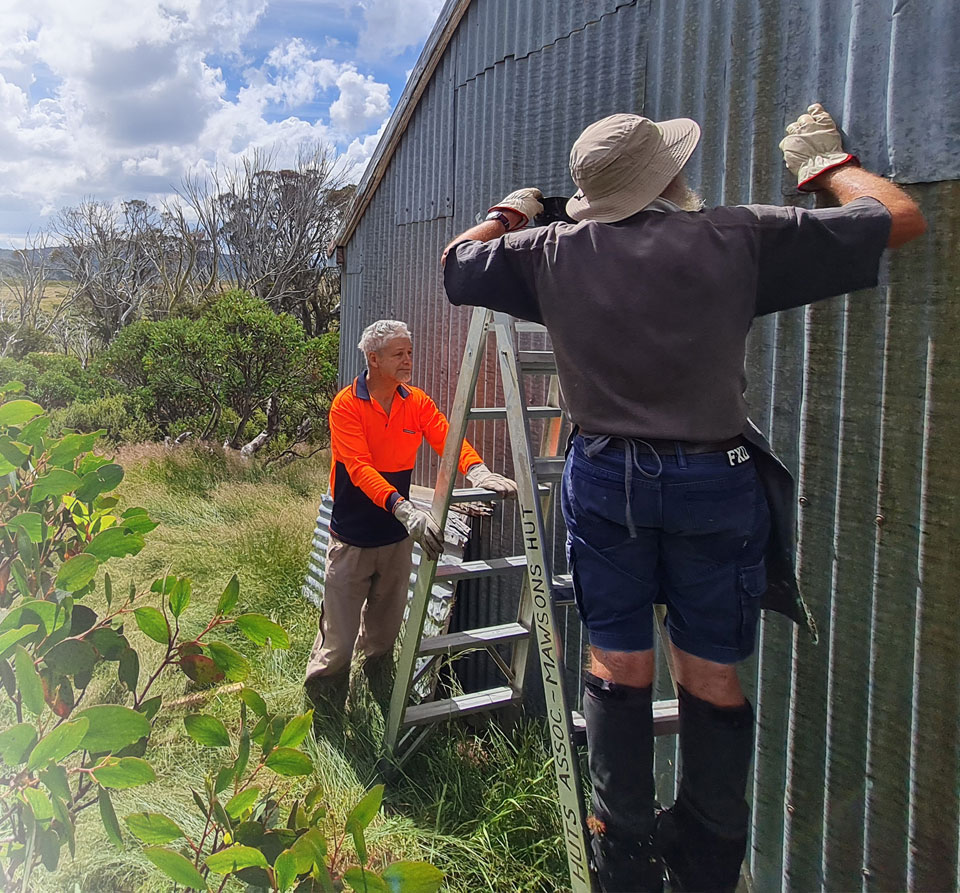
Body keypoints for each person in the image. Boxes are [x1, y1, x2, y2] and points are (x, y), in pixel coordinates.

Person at [440, 105, 926, 891]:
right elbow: (897, 218)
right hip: (712, 477)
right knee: (709, 672)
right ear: (669, 176)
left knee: (616, 661)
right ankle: (705, 853)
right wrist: (825, 167)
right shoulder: (737, 235)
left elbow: (458, 264)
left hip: (602, 475)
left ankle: (624, 848)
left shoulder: (550, 250)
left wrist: (511, 212)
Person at [303, 319, 516, 721]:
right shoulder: (347, 406)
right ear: (373, 358)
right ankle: (324, 721)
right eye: (399, 353)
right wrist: (405, 509)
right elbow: (360, 470)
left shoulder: (413, 401)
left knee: (383, 637)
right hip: (351, 540)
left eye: (409, 352)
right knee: (338, 642)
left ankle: (376, 705)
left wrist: (478, 471)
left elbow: (446, 438)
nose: (408, 360)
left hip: (395, 543)